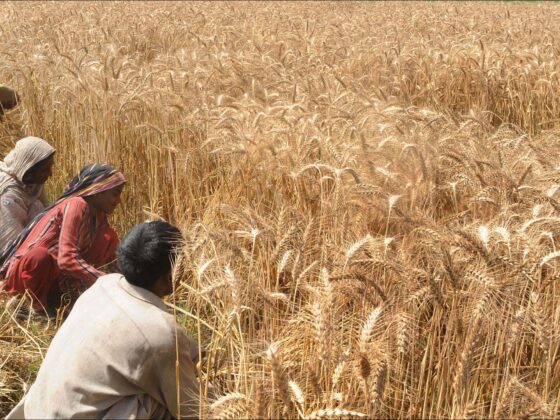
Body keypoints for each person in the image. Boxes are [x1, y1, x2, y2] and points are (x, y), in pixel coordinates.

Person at [7, 221, 200, 419]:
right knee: (156, 404)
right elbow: (192, 408)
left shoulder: (104, 284)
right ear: (170, 276)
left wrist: (190, 352)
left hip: (35, 411)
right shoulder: (161, 332)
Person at [0, 163, 126, 313]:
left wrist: (125, 285)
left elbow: (113, 262)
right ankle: (33, 308)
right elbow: (66, 260)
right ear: (98, 191)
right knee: (40, 256)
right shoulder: (76, 205)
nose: (118, 201)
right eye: (115, 193)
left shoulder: (98, 217)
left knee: (108, 238)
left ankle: (59, 298)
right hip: (26, 279)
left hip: (54, 279)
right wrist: (104, 281)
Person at [0, 137, 55, 255]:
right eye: (45, 169)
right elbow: (10, 245)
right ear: (28, 168)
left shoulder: (30, 183)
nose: (50, 174)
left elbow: (48, 216)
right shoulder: (8, 194)